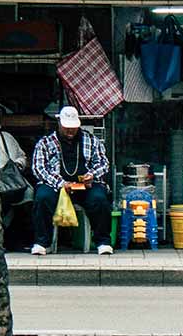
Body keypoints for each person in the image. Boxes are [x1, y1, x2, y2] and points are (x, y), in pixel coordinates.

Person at [31, 106, 113, 255]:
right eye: (67, 127)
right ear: (59, 124)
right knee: (42, 197)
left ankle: (103, 241)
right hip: (55, 185)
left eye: (73, 128)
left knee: (100, 199)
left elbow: (103, 163)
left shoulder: (91, 140)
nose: (70, 131)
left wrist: (92, 175)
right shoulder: (45, 142)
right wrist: (61, 183)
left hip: (86, 185)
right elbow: (38, 168)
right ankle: (42, 242)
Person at [0, 103, 31, 251]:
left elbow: (22, 157)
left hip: (10, 181)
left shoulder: (7, 138)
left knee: (29, 194)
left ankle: (21, 239)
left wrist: (17, 164)